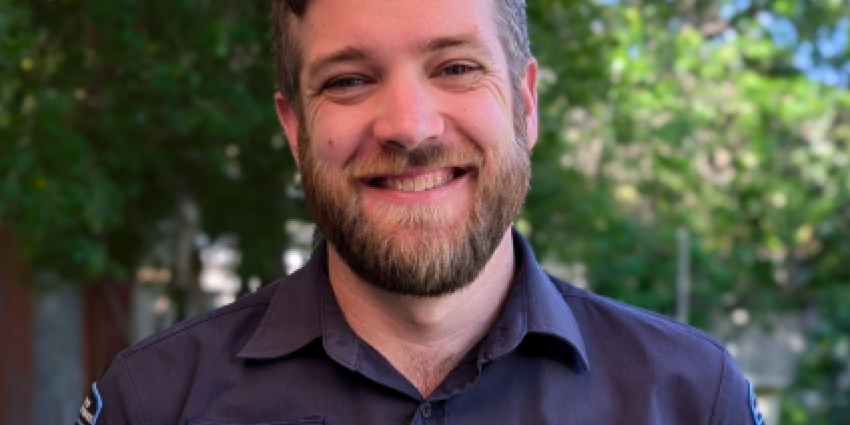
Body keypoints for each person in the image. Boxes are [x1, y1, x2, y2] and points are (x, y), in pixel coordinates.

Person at [76, 0, 765, 424]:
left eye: (456, 68)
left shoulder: (692, 399)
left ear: (525, 103)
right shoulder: (153, 402)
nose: (409, 127)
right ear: (294, 129)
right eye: (349, 80)